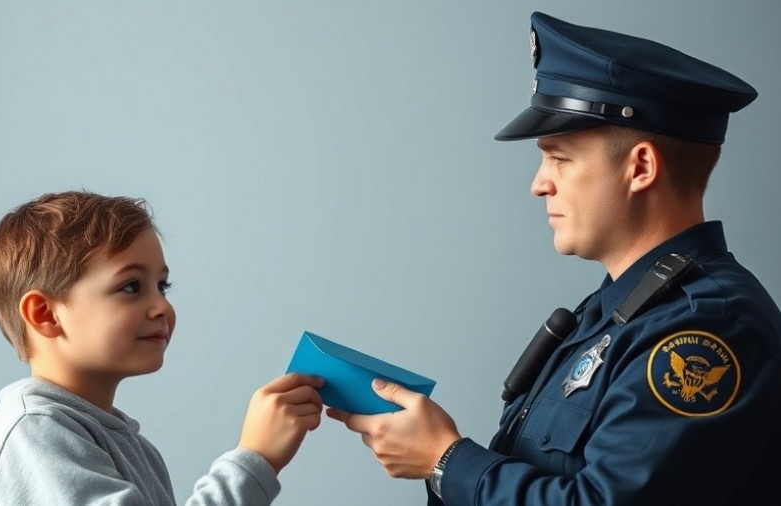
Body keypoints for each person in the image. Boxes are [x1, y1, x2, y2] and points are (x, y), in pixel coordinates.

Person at [327, 11, 781, 505]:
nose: (539, 183)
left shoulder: (705, 331)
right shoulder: (613, 312)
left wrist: (444, 459)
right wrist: (438, 461)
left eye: (560, 158)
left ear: (641, 167)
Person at [0, 191, 324, 505]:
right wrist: (254, 460)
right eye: (131, 286)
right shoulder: (34, 434)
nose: (162, 307)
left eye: (162, 286)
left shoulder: (133, 448)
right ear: (45, 314)